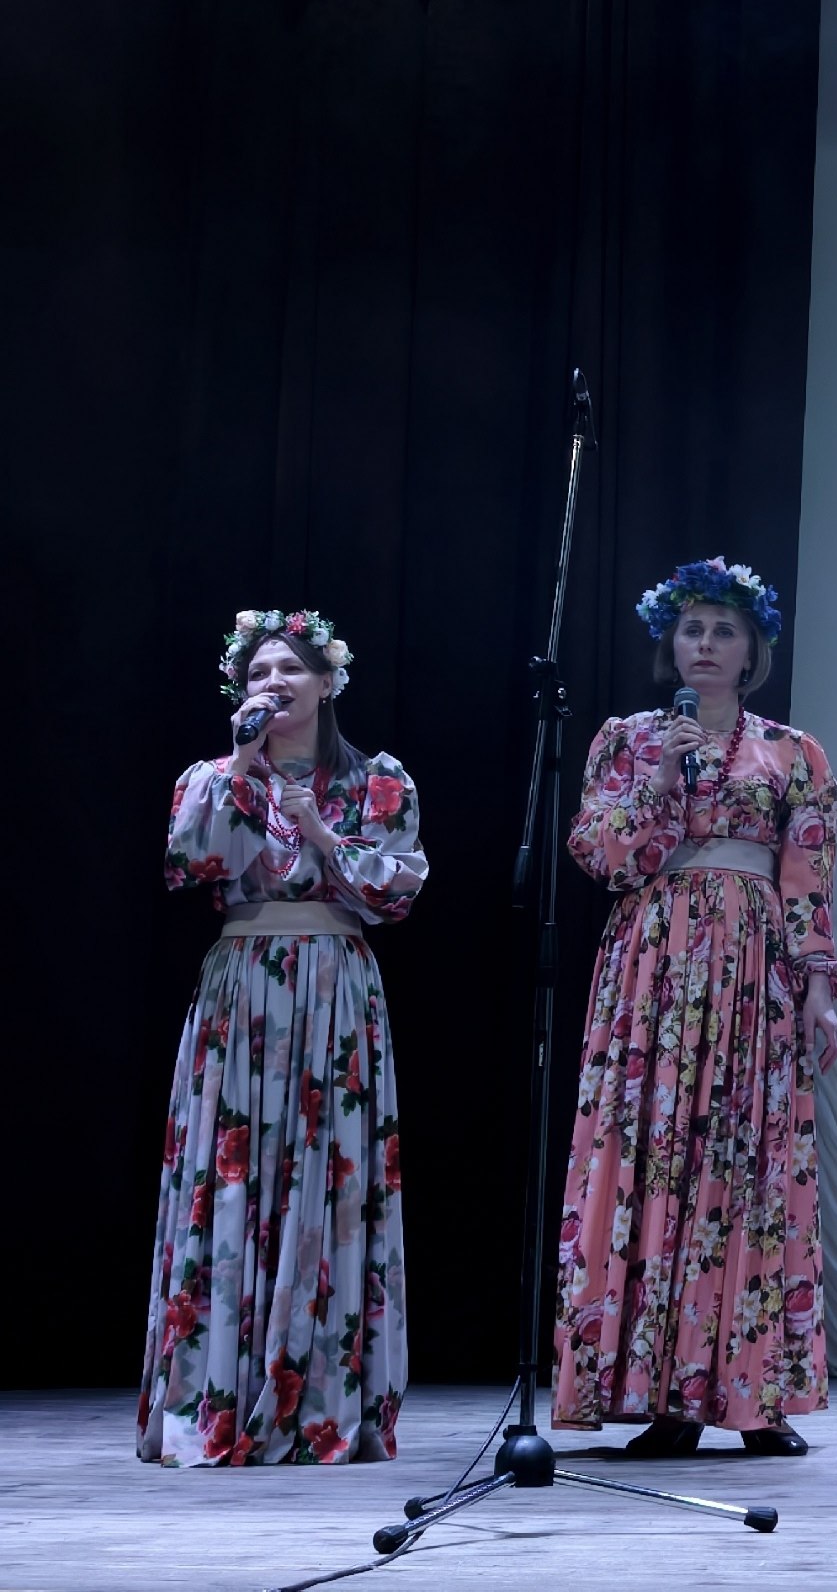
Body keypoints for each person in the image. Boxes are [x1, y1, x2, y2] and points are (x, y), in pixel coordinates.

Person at [553, 557, 837, 1457]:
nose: (706, 645)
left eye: (724, 631)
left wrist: (819, 989)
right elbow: (599, 854)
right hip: (654, 961)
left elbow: (809, 876)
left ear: (752, 650)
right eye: (692, 630)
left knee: (748, 1159)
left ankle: (757, 1396)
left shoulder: (793, 751)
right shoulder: (628, 739)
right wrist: (659, 784)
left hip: (753, 962)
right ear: (670, 646)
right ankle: (663, 1397)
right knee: (654, 1157)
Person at [144, 609, 423, 1465]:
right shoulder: (210, 778)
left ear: (327, 683)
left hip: (335, 985)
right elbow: (190, 863)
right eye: (259, 672)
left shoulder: (378, 780)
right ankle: (216, 1401)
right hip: (244, 987)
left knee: (328, 1179)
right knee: (230, 1174)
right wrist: (240, 767)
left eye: (291, 668)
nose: (274, 683)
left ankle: (322, 1402)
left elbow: (397, 893)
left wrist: (320, 833)